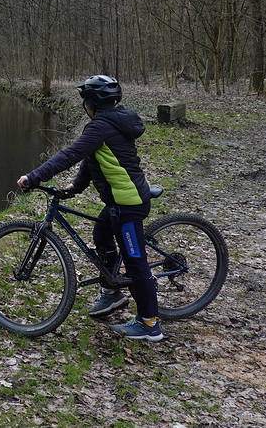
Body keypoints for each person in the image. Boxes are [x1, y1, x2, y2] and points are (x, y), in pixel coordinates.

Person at [17, 75, 163, 342]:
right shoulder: (108, 124)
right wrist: (76, 187)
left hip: (128, 204)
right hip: (118, 203)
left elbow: (70, 154)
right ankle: (111, 293)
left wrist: (34, 176)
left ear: (92, 103)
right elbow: (91, 159)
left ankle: (149, 323)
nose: (84, 105)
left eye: (85, 100)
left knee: (136, 263)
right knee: (102, 235)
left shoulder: (99, 127)